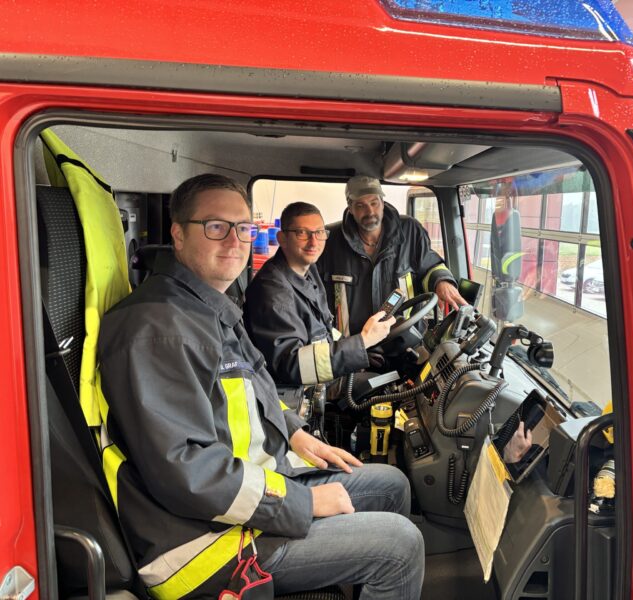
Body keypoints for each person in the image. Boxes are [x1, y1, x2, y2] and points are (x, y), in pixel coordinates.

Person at [97, 174, 424, 599]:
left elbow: (254, 382)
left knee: (390, 484)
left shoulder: (206, 305)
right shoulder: (158, 328)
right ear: (178, 234)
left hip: (252, 487)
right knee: (400, 545)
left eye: (244, 228)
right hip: (202, 542)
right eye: (216, 227)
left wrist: (295, 433)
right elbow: (187, 473)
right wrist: (304, 505)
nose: (235, 241)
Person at [244, 202, 395, 387]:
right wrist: (363, 341)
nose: (313, 242)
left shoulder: (309, 271)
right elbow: (292, 366)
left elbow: (324, 329)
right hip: (302, 389)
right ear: (282, 238)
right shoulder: (273, 291)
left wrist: (358, 351)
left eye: (319, 233)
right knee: (385, 387)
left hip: (322, 374)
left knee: (389, 375)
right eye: (302, 233)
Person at [317, 175, 467, 336]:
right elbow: (314, 290)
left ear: (382, 203)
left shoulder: (410, 230)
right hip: (355, 344)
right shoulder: (330, 240)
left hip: (405, 339)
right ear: (351, 208)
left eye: (374, 203)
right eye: (361, 205)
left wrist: (442, 282)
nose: (370, 212)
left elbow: (429, 265)